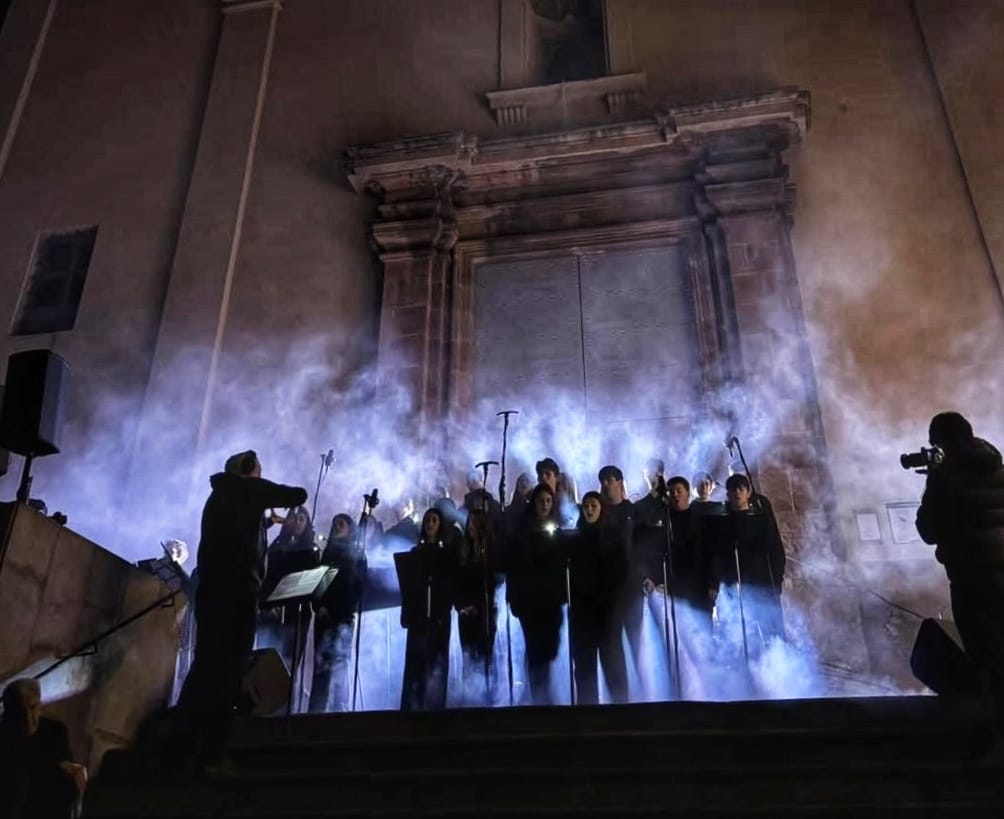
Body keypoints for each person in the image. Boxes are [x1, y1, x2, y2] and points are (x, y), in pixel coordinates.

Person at [174, 450, 307, 772]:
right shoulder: (250, 489)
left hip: (211, 591)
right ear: (250, 470)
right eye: (259, 470)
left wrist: (265, 520)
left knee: (206, 664)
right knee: (231, 669)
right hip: (238, 593)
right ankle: (213, 751)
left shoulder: (218, 496)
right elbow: (297, 495)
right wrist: (269, 498)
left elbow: (235, 527)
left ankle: (180, 741)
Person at [916, 411, 1004, 727]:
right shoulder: (996, 466)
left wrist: (933, 479)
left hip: (972, 576)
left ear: (940, 442)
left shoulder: (946, 477)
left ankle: (995, 737)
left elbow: (927, 530)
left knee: (988, 656)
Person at [707, 473, 786, 653]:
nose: (736, 493)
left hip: (762, 583)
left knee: (770, 633)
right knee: (738, 636)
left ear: (748, 492)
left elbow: (775, 549)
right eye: (732, 490)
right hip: (733, 586)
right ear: (727, 494)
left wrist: (777, 580)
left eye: (740, 489)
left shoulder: (760, 519)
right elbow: (716, 554)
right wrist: (714, 582)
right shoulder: (721, 523)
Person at [506, 484, 566, 704]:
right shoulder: (522, 532)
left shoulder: (557, 531)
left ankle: (544, 692)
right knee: (534, 649)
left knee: (549, 648)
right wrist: (514, 598)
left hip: (551, 601)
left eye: (548, 500)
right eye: (541, 500)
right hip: (529, 601)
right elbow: (514, 567)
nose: (544, 504)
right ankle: (540, 697)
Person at [567, 491, 629, 705]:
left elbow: (622, 572)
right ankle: (587, 710)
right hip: (582, 611)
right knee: (584, 664)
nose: (589, 509)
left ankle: (621, 708)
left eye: (593, 505)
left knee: (612, 661)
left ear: (601, 507)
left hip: (608, 609)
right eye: (586, 506)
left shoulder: (613, 536)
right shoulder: (575, 537)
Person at [0, 678, 87, 819]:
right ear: (8, 713)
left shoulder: (55, 731)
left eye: (33, 707)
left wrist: (72, 771)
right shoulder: (3, 735)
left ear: (40, 706)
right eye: (20, 711)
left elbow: (64, 765)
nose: (28, 718)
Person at [398, 508, 458, 711]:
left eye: (434, 520)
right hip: (418, 614)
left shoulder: (447, 554)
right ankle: (413, 705)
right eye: (428, 520)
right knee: (416, 661)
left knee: (437, 662)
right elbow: (408, 587)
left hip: (439, 614)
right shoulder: (415, 553)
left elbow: (450, 584)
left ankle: (435, 706)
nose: (430, 524)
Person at [310, 513, 366, 713]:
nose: (336, 527)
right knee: (320, 666)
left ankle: (339, 711)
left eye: (341, 523)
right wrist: (320, 606)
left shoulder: (357, 554)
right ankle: (315, 712)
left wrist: (346, 610)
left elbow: (358, 588)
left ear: (350, 528)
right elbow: (317, 585)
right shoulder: (327, 554)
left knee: (341, 666)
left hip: (344, 618)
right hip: (325, 616)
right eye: (334, 524)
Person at [258, 506, 319, 671]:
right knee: (264, 664)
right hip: (272, 613)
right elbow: (265, 577)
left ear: (307, 523)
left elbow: (312, 584)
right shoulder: (276, 546)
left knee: (288, 666)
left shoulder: (312, 550)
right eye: (294, 518)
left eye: (302, 519)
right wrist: (267, 604)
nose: (298, 523)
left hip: (297, 616)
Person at [454, 507, 503, 705]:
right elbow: (456, 580)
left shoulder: (491, 550)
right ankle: (470, 699)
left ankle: (488, 697)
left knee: (486, 654)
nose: (472, 526)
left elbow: (496, 581)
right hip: (466, 611)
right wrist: (461, 605)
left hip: (486, 609)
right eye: (470, 522)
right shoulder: (462, 550)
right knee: (468, 654)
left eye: (476, 522)